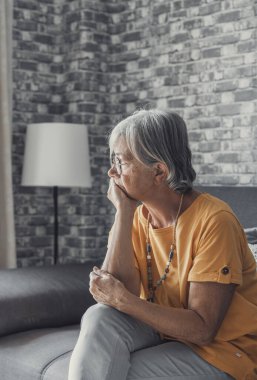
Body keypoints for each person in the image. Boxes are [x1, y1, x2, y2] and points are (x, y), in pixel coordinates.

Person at [68, 109, 257, 380]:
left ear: (158, 171)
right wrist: (123, 213)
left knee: (120, 373)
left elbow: (203, 330)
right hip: (162, 331)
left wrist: (122, 298)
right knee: (99, 317)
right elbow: (113, 297)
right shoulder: (135, 216)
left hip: (223, 352)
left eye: (120, 162)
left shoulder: (215, 220)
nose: (112, 172)